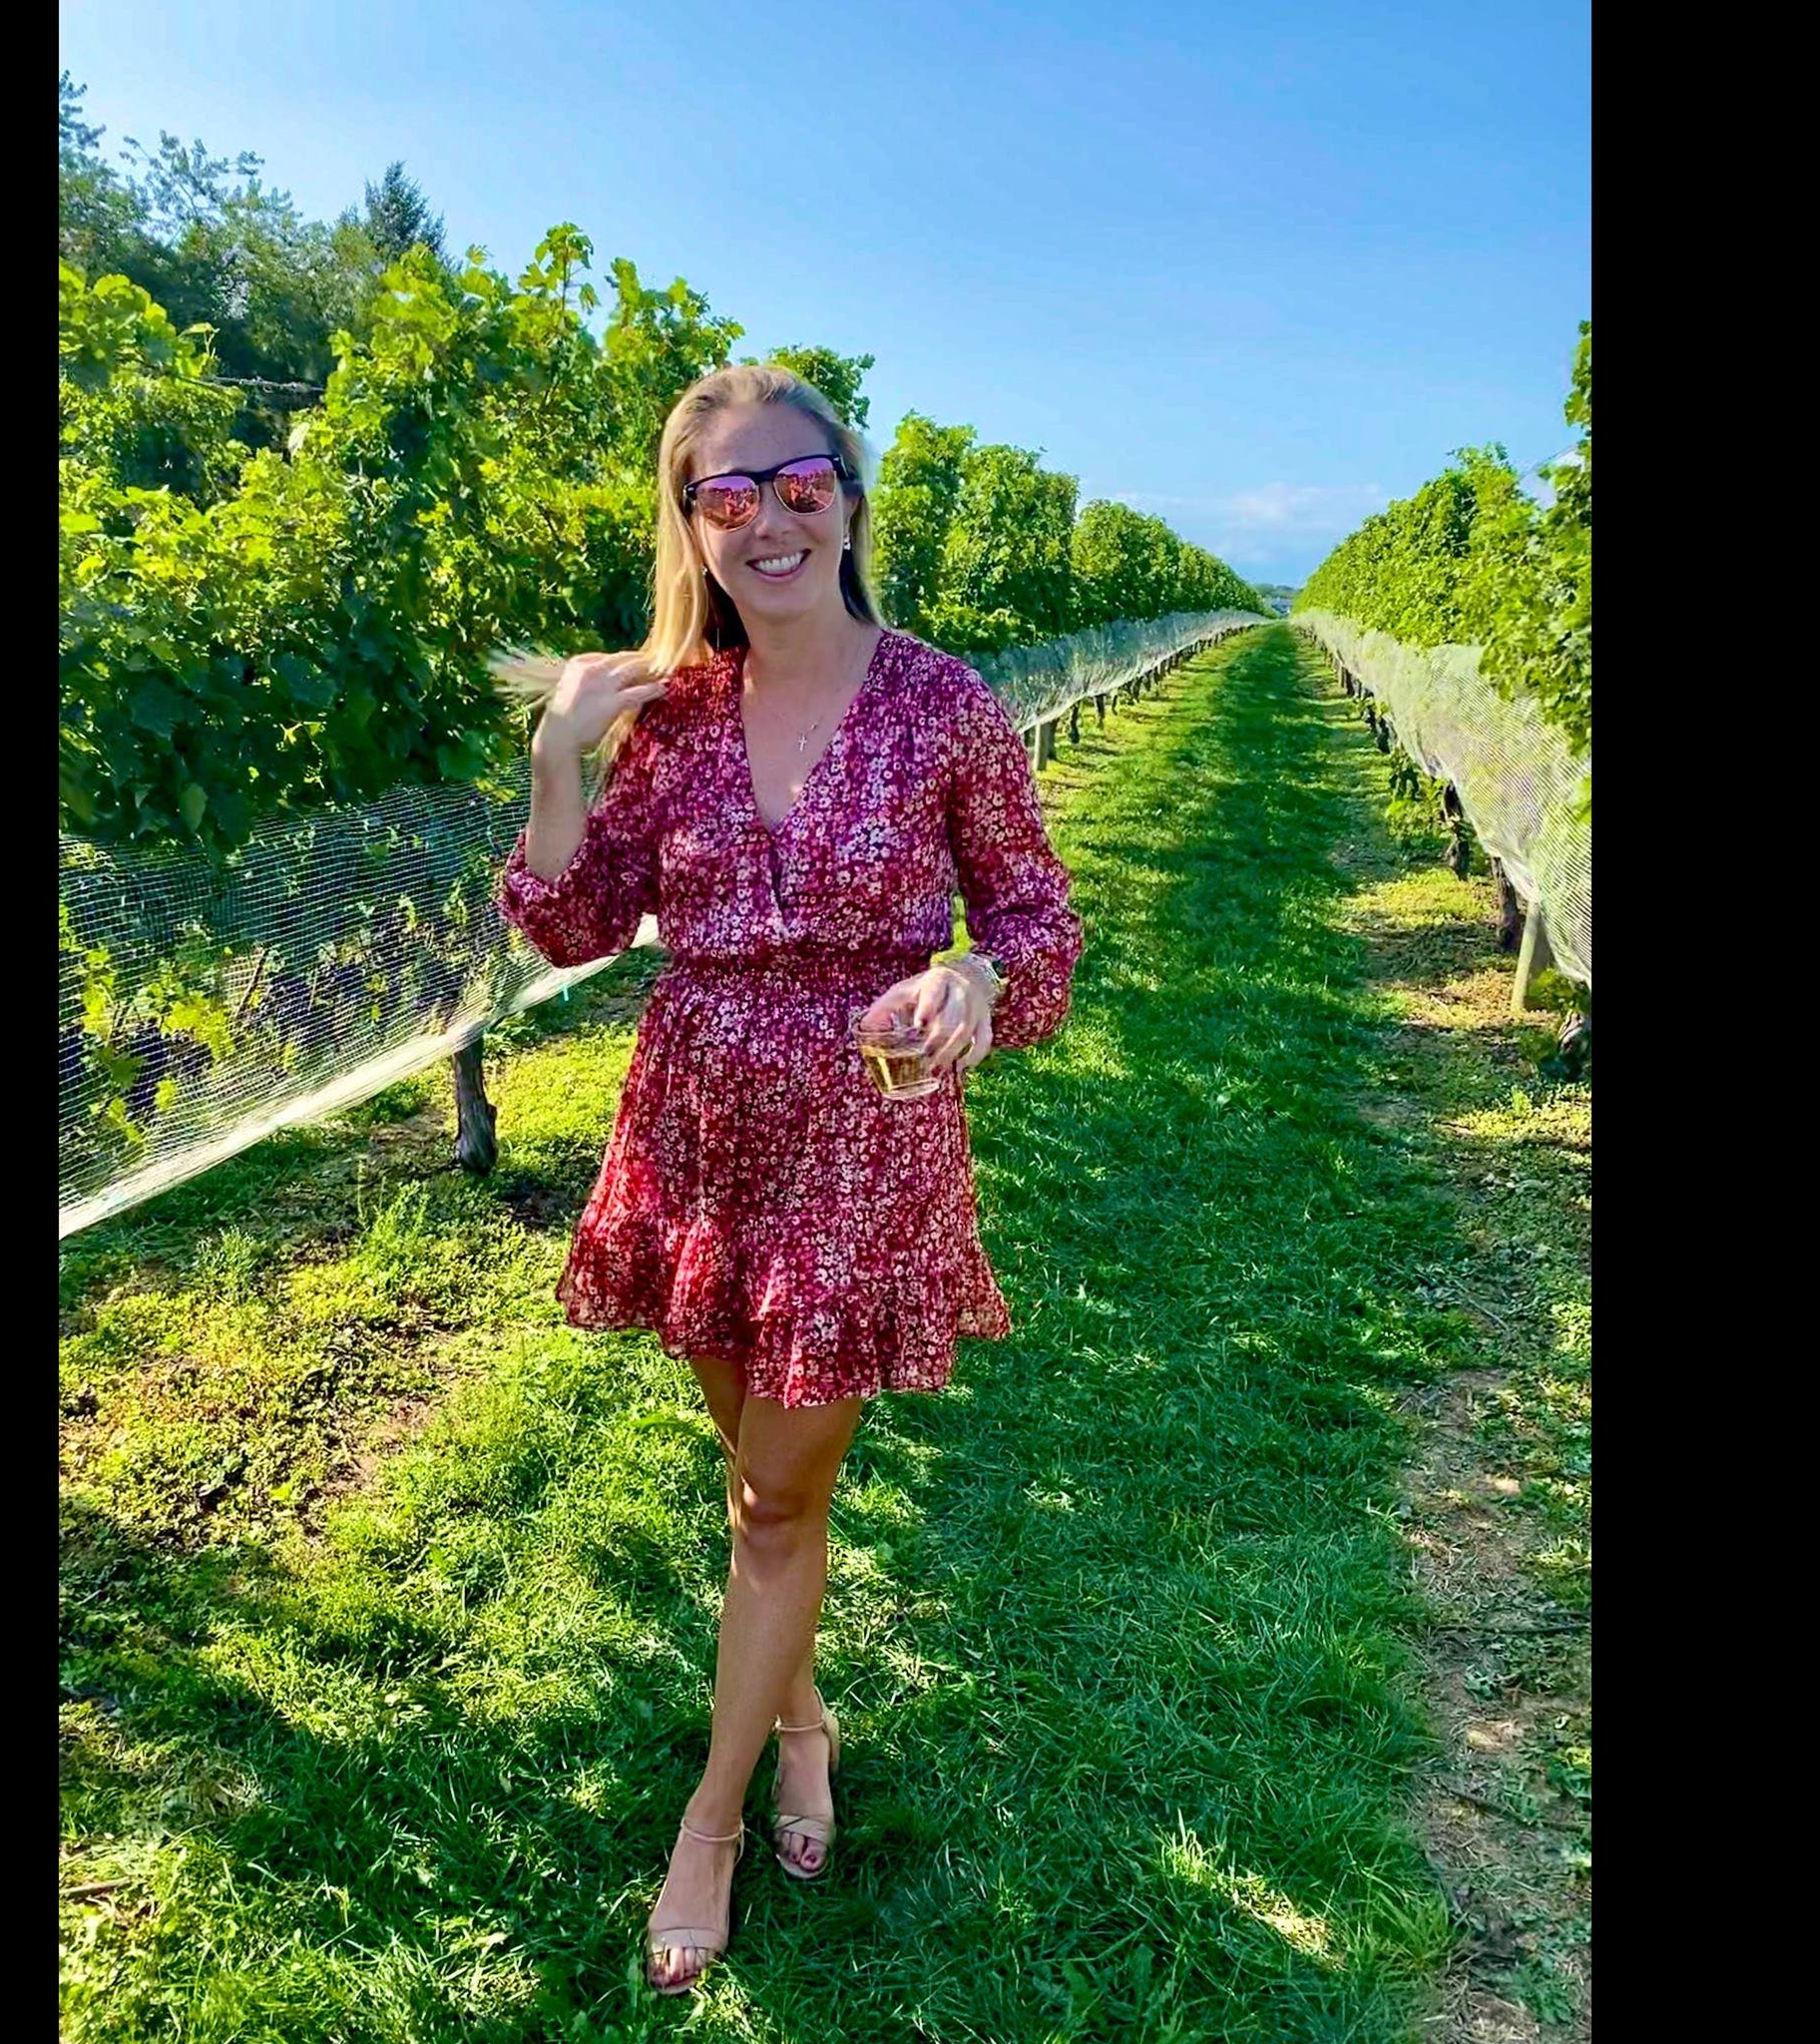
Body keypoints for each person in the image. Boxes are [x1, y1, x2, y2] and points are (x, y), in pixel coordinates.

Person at [493, 363, 1085, 1994]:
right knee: (760, 1481)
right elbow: (571, 925)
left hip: (859, 1142)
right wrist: (559, 760)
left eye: (798, 483)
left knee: (773, 1503)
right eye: (728, 495)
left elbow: (1036, 921)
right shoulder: (674, 718)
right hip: (698, 1130)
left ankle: (712, 1822)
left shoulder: (943, 705)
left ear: (849, 496)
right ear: (693, 527)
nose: (769, 520)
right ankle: (803, 1722)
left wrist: (972, 977)